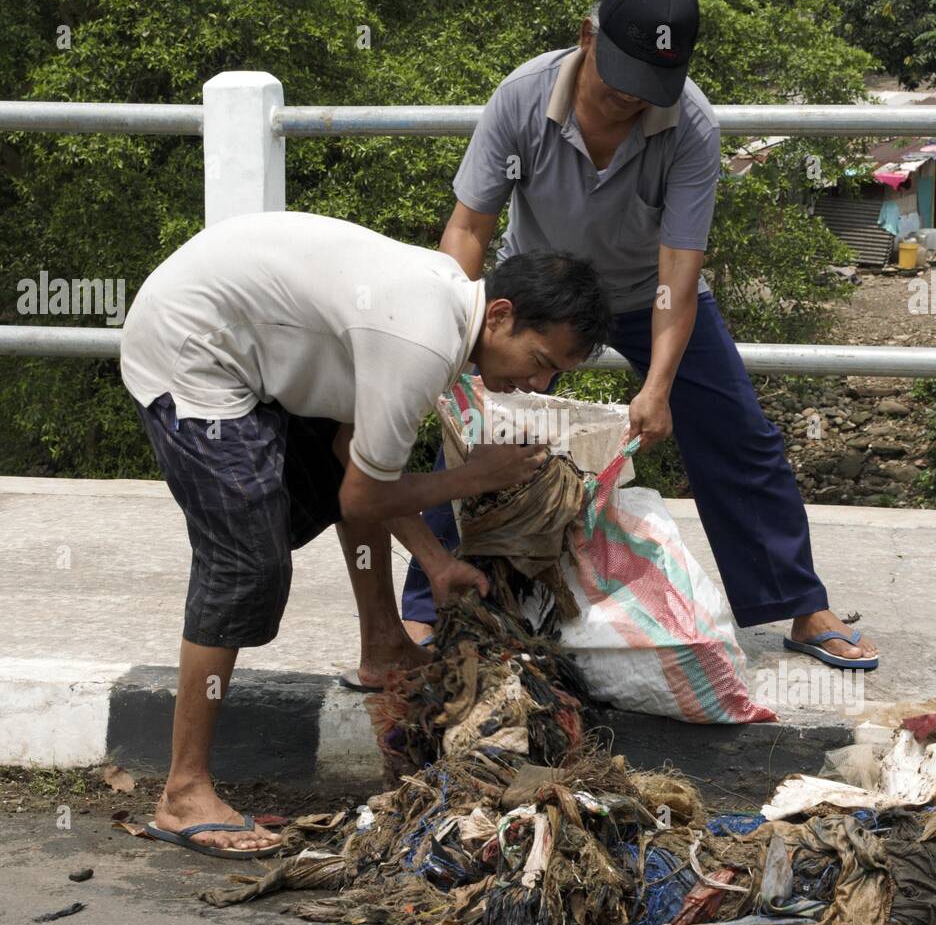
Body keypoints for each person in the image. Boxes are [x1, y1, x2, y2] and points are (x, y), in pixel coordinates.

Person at [401, 0, 878, 673]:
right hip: (543, 292)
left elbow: (677, 274)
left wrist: (656, 387)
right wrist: (456, 335)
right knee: (470, 429)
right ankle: (426, 608)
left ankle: (801, 604)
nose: (628, 102)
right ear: (587, 37)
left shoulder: (692, 125)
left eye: (648, 89)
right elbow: (469, 227)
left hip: (645, 292)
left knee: (740, 433)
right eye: (617, 80)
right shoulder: (522, 98)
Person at [120, 210, 613, 855]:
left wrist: (436, 563)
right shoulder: (424, 343)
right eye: (540, 360)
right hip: (191, 351)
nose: (539, 384)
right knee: (247, 565)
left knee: (333, 480)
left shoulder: (443, 308)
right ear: (499, 316)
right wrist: (472, 478)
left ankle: (383, 645)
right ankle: (183, 794)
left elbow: (358, 449)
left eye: (556, 377)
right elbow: (364, 492)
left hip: (246, 345)